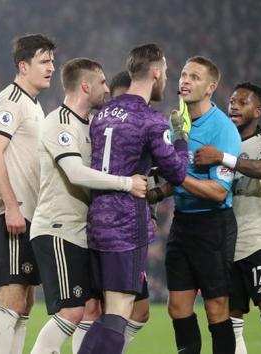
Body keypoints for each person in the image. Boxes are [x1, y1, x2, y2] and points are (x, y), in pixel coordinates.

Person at [29, 58, 148, 354]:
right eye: (102, 82)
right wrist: (126, 183)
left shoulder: (94, 125)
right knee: (71, 312)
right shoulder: (59, 121)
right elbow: (75, 172)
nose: (107, 89)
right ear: (85, 85)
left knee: (92, 310)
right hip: (58, 229)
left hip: (84, 233)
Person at [78, 43, 190, 354]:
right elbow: (178, 173)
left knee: (106, 312)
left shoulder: (103, 115)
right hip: (127, 222)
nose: (165, 79)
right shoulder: (150, 120)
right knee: (118, 311)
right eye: (165, 72)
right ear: (156, 72)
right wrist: (181, 138)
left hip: (97, 219)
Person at [194, 82, 261, 353]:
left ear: (258, 111)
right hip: (225, 243)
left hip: (257, 238)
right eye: (232, 101)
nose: (234, 106)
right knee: (232, 322)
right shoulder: (218, 141)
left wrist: (223, 158)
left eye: (243, 102)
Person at [148, 56, 242, 354]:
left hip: (213, 225)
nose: (185, 81)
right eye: (184, 75)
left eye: (195, 77)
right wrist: (160, 192)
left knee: (216, 308)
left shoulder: (223, 129)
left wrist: (176, 176)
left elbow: (217, 191)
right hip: (183, 222)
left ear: (211, 87)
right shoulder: (177, 121)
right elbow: (181, 174)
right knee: (177, 307)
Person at [0, 33, 56, 354]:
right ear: (23, 66)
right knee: (11, 297)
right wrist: (11, 206)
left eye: (52, 60)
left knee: (25, 301)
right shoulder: (11, 99)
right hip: (13, 214)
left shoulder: (34, 106)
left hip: (30, 215)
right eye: (44, 61)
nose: (51, 67)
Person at [107, 70, 154, 352]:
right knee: (108, 311)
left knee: (139, 311)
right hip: (112, 230)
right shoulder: (100, 132)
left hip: (133, 231)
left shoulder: (146, 131)